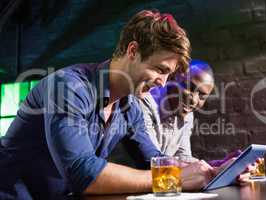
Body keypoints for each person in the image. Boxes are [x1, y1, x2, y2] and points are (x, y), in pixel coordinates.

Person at [0, 9, 215, 199]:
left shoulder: (130, 106)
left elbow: (155, 161)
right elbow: (82, 172)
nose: (163, 82)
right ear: (133, 51)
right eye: (160, 70)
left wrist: (214, 171)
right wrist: (172, 178)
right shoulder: (68, 87)